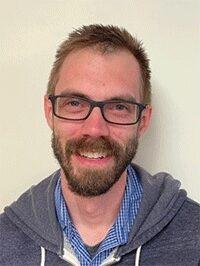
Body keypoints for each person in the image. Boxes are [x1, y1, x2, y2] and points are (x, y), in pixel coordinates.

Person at [0, 24, 199, 266]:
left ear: (143, 121)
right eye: (74, 103)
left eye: (118, 107)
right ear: (50, 112)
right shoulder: (4, 242)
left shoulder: (194, 239)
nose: (95, 129)